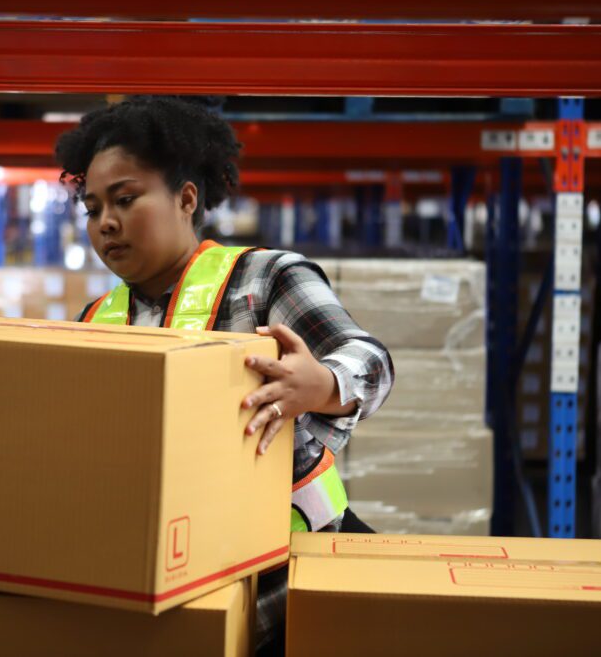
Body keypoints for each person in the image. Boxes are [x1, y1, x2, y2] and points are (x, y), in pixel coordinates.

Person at [56, 96, 394, 654]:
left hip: (292, 588)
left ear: (186, 198)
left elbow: (370, 361)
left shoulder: (263, 281)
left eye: (125, 198)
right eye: (92, 209)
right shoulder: (95, 321)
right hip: (171, 592)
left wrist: (323, 385)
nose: (106, 223)